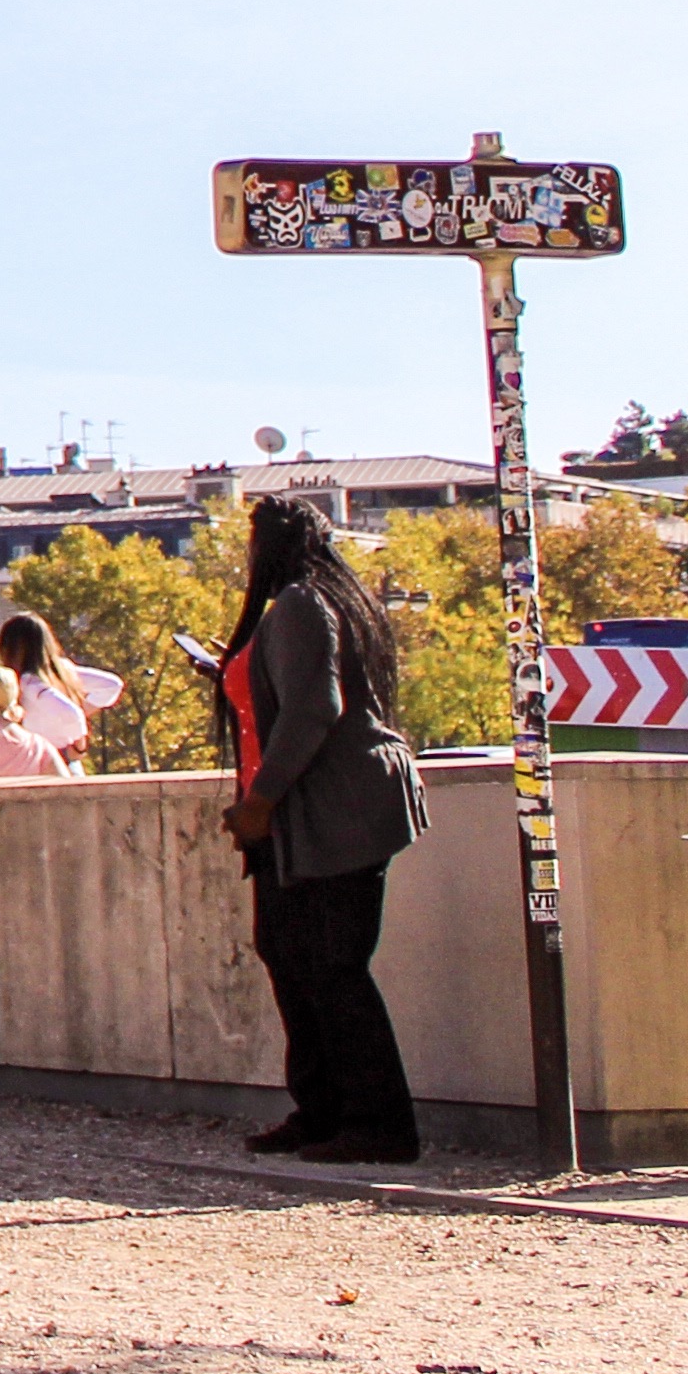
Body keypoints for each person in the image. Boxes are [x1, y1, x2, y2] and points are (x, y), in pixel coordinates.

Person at [219, 494, 428, 1165]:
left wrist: (261, 800)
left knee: (330, 965)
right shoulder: (324, 600)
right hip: (316, 813)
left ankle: (376, 1122)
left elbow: (314, 709)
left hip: (324, 813)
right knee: (293, 955)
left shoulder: (303, 606)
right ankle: (325, 1109)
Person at [0, 613, 124, 770]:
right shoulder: (61, 672)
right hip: (67, 761)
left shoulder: (30, 683)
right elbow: (111, 685)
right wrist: (84, 712)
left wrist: (79, 743)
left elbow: (71, 713)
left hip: (41, 762)